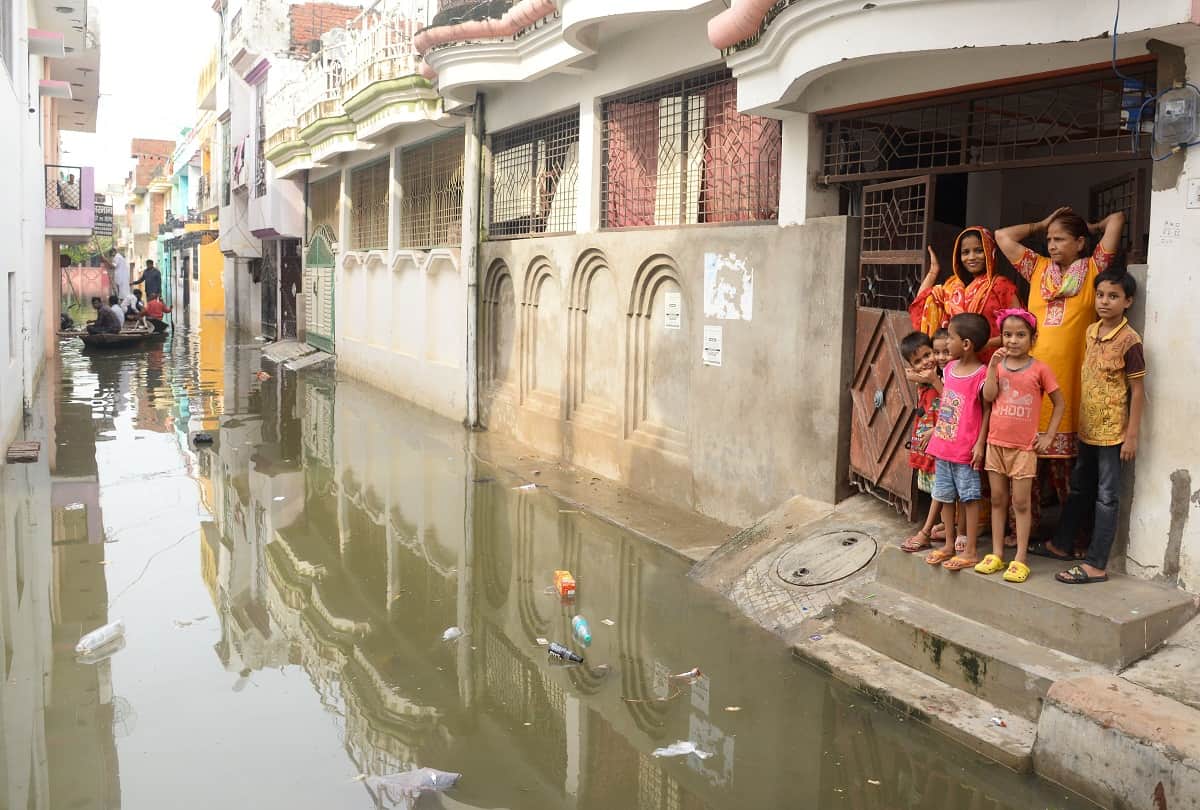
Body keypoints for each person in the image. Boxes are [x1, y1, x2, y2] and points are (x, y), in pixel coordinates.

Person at [994, 208, 1126, 522]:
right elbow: (1002, 236)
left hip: (1070, 384)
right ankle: (1025, 529)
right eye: (1049, 239)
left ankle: (1071, 536)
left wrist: (1094, 226)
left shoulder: (1094, 269)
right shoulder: (1037, 268)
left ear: (1080, 242)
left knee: (1068, 471)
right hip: (1030, 383)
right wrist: (1039, 224)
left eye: (1060, 239)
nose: (1052, 245)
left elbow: (1118, 218)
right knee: (1028, 465)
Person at [1052, 272, 1146, 585]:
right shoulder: (1092, 330)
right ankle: (1062, 544)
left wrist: (1131, 437)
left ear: (1128, 302)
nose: (1105, 301)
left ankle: (1096, 564)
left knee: (1107, 497)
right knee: (1079, 487)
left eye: (1114, 296)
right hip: (1087, 429)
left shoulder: (1129, 341)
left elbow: (1138, 391)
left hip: (1112, 434)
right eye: (1101, 295)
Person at [976, 309, 1065, 582]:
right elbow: (988, 398)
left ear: (1033, 338)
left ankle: (1021, 558)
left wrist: (1049, 436)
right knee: (999, 499)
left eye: (1020, 335)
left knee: (1021, 503)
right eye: (1008, 335)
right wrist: (992, 368)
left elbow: (1059, 403)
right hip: (995, 444)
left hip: (1024, 448)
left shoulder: (1040, 369)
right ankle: (997, 553)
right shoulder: (999, 367)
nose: (1013, 340)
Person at [922, 313, 991, 571]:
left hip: (964, 450)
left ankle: (971, 549)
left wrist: (980, 443)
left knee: (969, 498)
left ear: (966, 344)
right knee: (944, 496)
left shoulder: (981, 375)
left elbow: (986, 411)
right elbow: (947, 406)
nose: (945, 343)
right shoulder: (949, 369)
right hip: (944, 447)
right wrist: (936, 430)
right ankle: (949, 545)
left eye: (950, 337)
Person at [910, 227, 1019, 362]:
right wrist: (933, 272)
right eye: (965, 252)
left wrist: (985, 344)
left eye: (979, 251)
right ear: (958, 256)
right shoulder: (952, 286)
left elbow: (1020, 330)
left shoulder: (1002, 286)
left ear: (990, 251)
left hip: (993, 364)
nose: (971, 257)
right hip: (957, 365)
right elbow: (923, 302)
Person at [900, 331, 945, 552]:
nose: (926, 362)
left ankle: (926, 531)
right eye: (918, 361)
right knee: (937, 486)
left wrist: (933, 379)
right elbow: (908, 373)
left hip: (942, 439)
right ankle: (947, 525)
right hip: (927, 442)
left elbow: (952, 402)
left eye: (928, 354)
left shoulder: (944, 374)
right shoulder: (923, 378)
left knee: (941, 487)